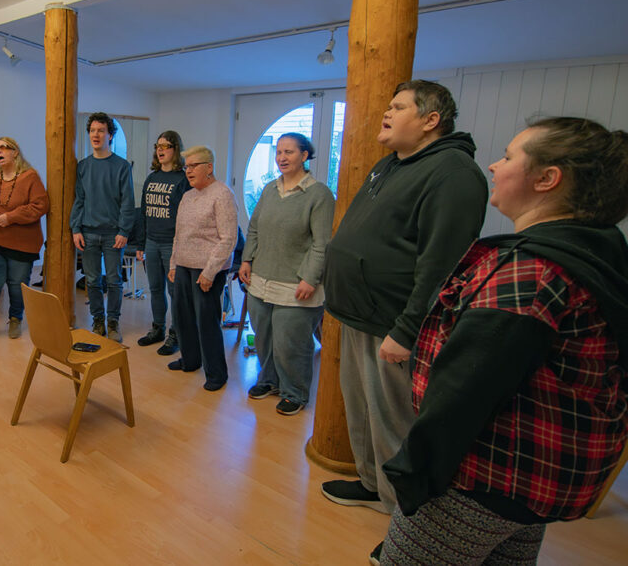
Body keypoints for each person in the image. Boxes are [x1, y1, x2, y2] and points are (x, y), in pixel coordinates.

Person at [374, 117, 628, 565]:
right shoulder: (597, 248)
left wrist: (415, 472)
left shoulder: (530, 271)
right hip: (540, 476)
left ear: (547, 179)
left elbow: (465, 388)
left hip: (481, 477)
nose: (494, 166)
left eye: (509, 157)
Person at [322, 80, 488, 515]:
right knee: (362, 413)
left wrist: (408, 329)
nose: (387, 112)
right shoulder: (391, 164)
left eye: (398, 107)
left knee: (393, 422)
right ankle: (373, 484)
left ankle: (405, 518)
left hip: (393, 325)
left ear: (431, 120)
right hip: (358, 313)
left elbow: (442, 265)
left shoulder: (452, 173)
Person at [239, 133, 334, 416]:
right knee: (264, 338)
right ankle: (269, 381)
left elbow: (322, 243)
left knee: (290, 343)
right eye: (279, 152)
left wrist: (310, 278)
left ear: (305, 156)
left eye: (289, 152)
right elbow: (254, 228)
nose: (282, 157)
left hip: (297, 285)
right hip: (261, 280)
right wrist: (247, 260)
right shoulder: (270, 189)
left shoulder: (319, 195)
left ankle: (295, 392)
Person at [167, 146, 238, 391]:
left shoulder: (222, 194)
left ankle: (216, 374)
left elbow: (228, 239)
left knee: (206, 321)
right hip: (184, 267)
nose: (188, 171)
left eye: (193, 165)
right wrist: (174, 263)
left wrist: (209, 272)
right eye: (186, 166)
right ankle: (190, 360)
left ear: (209, 167)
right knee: (182, 317)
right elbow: (180, 234)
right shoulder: (188, 196)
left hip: (207, 271)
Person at [0, 137, 49, 344]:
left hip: (22, 244)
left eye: (3, 147)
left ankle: (15, 319)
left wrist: (11, 217)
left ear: (15, 152)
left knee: (16, 285)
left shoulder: (30, 177)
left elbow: (40, 206)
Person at [70, 112, 135, 342]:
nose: (96, 135)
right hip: (87, 232)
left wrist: (123, 231)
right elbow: (79, 200)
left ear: (110, 135)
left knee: (114, 280)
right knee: (92, 280)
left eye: (101, 131)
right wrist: (75, 228)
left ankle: (113, 321)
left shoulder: (121, 167)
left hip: (112, 235)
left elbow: (128, 202)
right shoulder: (84, 167)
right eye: (92, 131)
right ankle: (98, 320)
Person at [133, 131, 190, 356]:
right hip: (151, 243)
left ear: (176, 149)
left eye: (166, 146)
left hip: (171, 245)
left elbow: (187, 217)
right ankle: (157, 328)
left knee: (174, 292)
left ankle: (175, 334)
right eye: (158, 145)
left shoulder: (183, 179)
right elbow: (144, 214)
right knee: (155, 288)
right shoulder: (151, 178)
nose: (161, 149)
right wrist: (140, 243)